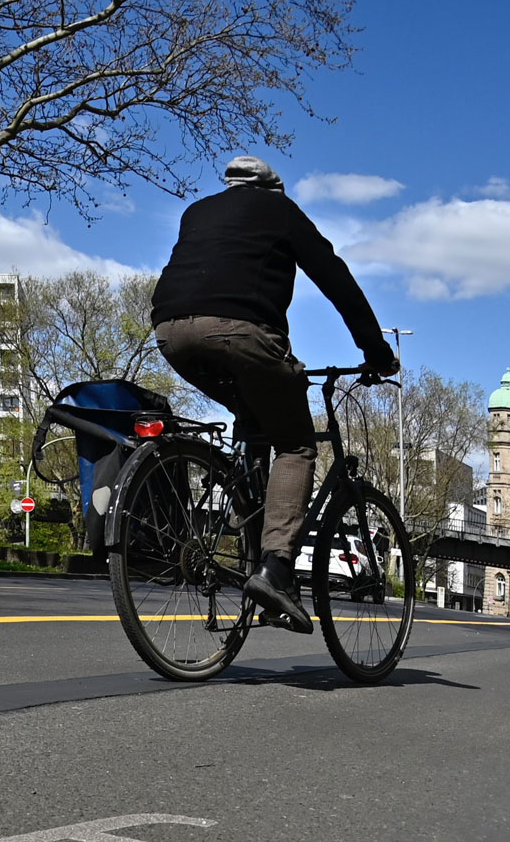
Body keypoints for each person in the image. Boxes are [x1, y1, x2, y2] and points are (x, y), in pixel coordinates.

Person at [151, 155, 399, 633]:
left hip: (170, 332)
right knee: (297, 444)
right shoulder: (281, 211)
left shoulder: (196, 213)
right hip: (239, 331)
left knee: (256, 414)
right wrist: (376, 350)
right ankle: (275, 568)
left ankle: (245, 515)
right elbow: (336, 279)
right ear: (274, 190)